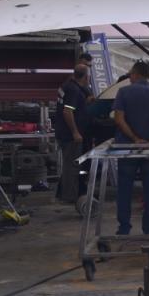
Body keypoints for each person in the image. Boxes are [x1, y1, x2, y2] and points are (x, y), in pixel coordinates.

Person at [112, 61, 149, 235]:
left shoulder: (123, 92)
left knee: (124, 189)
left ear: (135, 75)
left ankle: (124, 228)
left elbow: (118, 119)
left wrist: (135, 139)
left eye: (130, 74)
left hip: (127, 149)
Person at [53, 65, 92, 204]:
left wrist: (84, 102)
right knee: (72, 166)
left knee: (70, 165)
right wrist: (75, 132)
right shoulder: (74, 90)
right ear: (86, 77)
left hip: (63, 132)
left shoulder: (67, 86)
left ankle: (66, 194)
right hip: (70, 135)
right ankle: (69, 197)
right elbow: (67, 112)